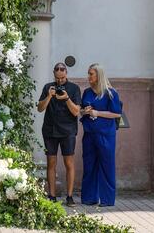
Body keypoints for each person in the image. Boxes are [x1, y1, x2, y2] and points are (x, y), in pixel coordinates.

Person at [37, 62, 81, 206]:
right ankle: (52, 196)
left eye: (62, 78)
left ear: (66, 74)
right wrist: (49, 96)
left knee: (69, 163)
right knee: (51, 162)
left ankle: (69, 197)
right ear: (54, 75)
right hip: (50, 130)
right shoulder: (47, 87)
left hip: (68, 130)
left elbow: (76, 111)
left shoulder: (74, 88)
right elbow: (40, 109)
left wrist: (67, 98)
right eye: (58, 79)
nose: (60, 81)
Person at [80, 63, 123, 207]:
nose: (88, 76)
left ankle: (107, 199)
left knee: (106, 166)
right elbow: (81, 110)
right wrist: (86, 110)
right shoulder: (87, 92)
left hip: (105, 135)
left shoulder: (111, 93)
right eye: (88, 73)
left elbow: (116, 113)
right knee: (89, 165)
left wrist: (97, 113)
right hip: (89, 134)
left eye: (91, 74)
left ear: (98, 75)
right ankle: (89, 198)